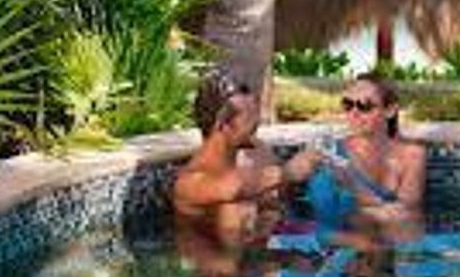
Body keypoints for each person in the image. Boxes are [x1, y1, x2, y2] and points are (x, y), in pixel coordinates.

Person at [284, 72, 427, 248]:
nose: (354, 113)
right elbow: (279, 192)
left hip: (385, 240)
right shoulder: (327, 150)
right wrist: (290, 172)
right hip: (331, 240)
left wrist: (352, 184)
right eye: (348, 104)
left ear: (390, 110)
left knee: (401, 222)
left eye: (364, 106)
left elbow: (407, 215)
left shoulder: (412, 155)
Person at [173, 69, 288, 248]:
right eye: (250, 118)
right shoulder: (192, 182)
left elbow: (273, 204)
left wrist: (269, 213)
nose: (257, 123)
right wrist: (287, 173)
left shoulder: (256, 150)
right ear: (224, 124)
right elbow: (232, 189)